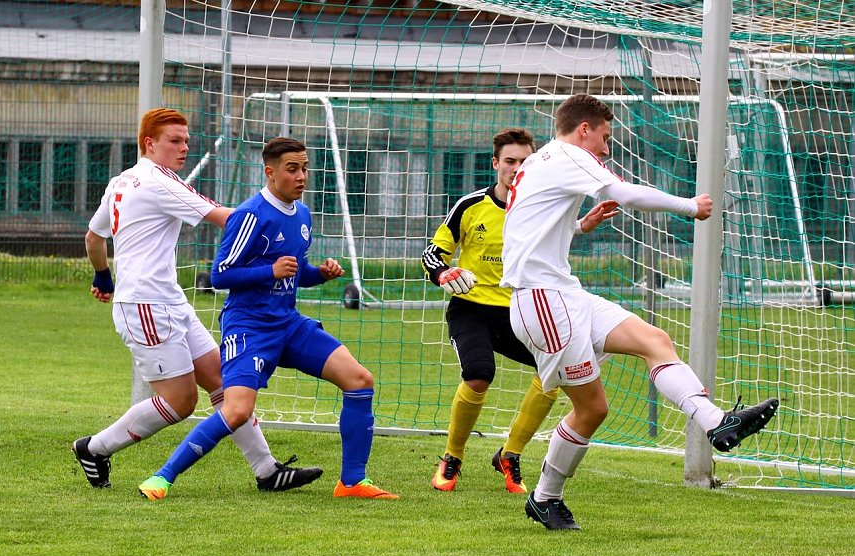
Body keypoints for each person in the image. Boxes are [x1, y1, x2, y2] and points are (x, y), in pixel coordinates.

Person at [501, 93, 779, 530]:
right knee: (592, 410)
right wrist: (690, 206)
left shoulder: (542, 161)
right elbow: (621, 191)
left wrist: (577, 226)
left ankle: (718, 423)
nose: (606, 149)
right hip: (542, 302)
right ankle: (544, 497)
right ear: (585, 128)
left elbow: (526, 224)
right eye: (605, 138)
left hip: (565, 294)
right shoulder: (568, 154)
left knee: (655, 341)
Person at [74, 108, 321, 494]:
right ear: (149, 144)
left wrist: (103, 276)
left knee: (222, 380)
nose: (184, 147)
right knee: (180, 401)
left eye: (187, 140)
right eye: (175, 140)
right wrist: (273, 224)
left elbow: (93, 237)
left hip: (168, 299)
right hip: (145, 305)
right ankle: (94, 447)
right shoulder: (158, 182)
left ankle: (266, 469)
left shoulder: (121, 181)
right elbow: (225, 217)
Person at [137, 136, 398, 501]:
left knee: (359, 380)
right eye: (293, 169)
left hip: (287, 323)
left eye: (305, 168)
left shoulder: (302, 215)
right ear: (270, 173)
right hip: (249, 327)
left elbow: (294, 272)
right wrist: (270, 271)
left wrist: (319, 274)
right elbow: (220, 275)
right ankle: (161, 478)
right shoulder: (251, 215)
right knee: (237, 410)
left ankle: (352, 482)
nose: (302, 176)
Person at [422, 128, 619, 494]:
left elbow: (546, 237)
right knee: (479, 374)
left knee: (555, 376)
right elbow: (432, 253)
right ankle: (452, 457)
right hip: (472, 309)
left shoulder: (539, 201)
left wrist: (580, 226)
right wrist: (443, 272)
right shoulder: (469, 206)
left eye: (524, 161)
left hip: (521, 310)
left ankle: (509, 455)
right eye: (509, 161)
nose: (516, 168)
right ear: (495, 163)